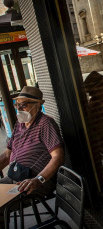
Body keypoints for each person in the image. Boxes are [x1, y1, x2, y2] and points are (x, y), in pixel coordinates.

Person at [0, 86, 64, 226]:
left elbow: (58, 156)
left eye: (24, 105)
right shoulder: (20, 124)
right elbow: (7, 154)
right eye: (17, 105)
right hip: (15, 176)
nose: (19, 109)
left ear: (38, 105)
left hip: (34, 183)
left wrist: (38, 179)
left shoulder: (46, 124)